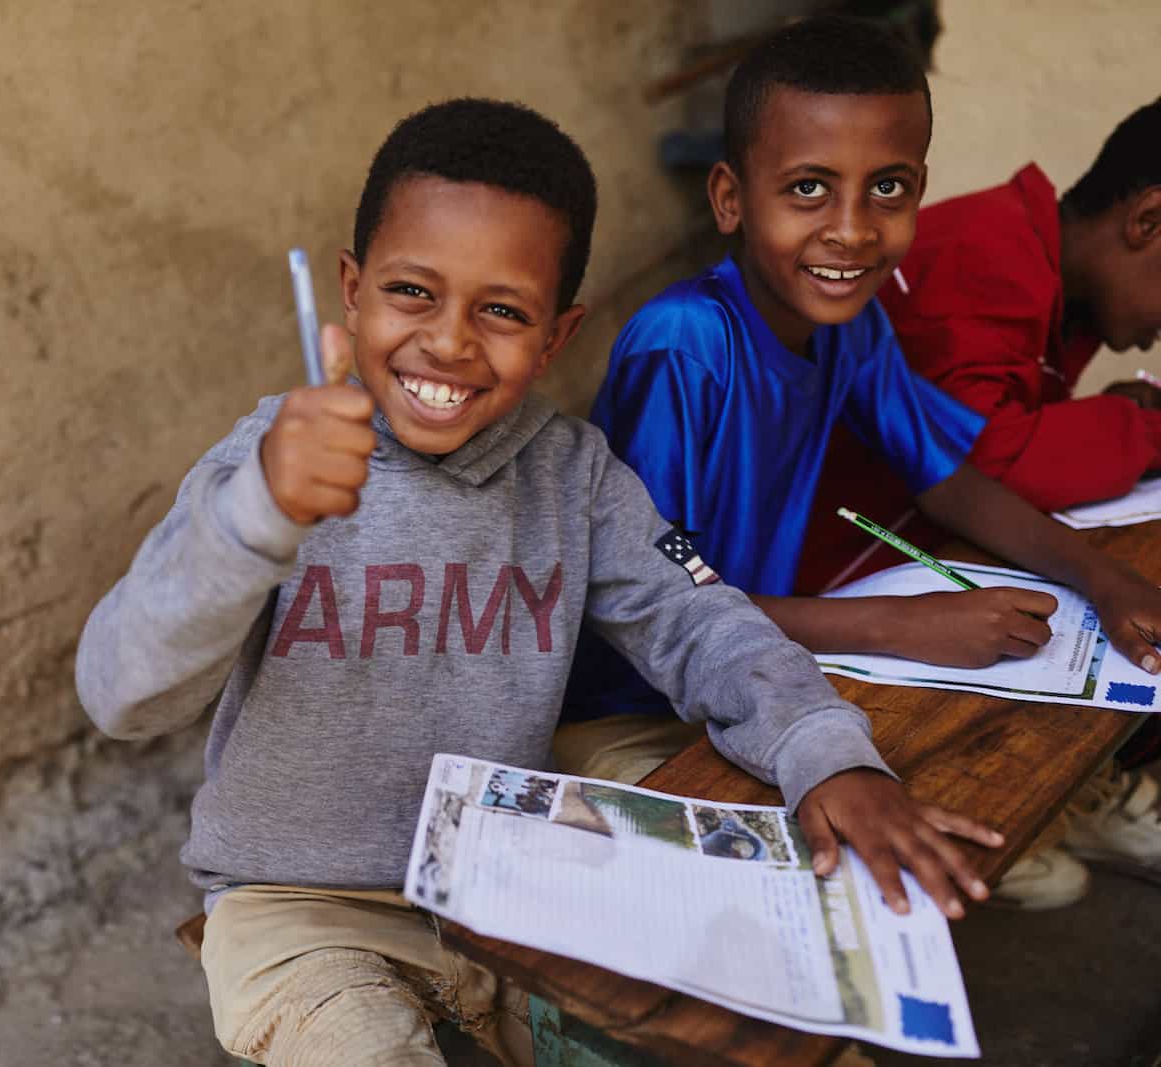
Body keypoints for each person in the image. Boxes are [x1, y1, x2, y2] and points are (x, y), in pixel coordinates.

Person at [77, 97, 999, 1066]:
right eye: (411, 292)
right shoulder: (264, 469)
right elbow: (121, 694)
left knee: (768, 1039)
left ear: (557, 335)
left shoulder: (575, 476)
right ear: (350, 291)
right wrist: (258, 515)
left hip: (513, 891)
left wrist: (827, 750)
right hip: (302, 909)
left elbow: (697, 616)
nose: (450, 341)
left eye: (501, 309)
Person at [562, 16, 1161, 912]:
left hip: (769, 664)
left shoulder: (854, 329)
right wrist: (896, 626)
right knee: (821, 871)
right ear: (730, 198)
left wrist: (1100, 577)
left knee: (970, 750)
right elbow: (657, 612)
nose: (852, 230)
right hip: (633, 706)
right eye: (808, 188)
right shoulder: (685, 347)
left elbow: (946, 479)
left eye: (888, 188)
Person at [803, 97, 1161, 590]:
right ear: (1149, 220)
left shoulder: (1057, 290)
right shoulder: (983, 255)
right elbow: (987, 472)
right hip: (815, 591)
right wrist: (1147, 431)